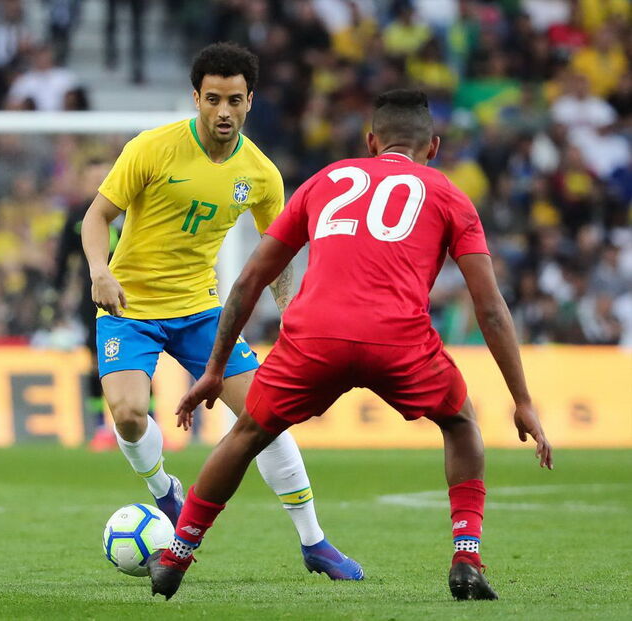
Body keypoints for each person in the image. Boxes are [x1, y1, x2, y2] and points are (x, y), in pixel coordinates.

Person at [148, 89, 554, 601]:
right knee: (460, 422)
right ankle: (466, 557)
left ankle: (177, 554)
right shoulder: (448, 193)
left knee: (247, 433)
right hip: (399, 338)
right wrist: (521, 399)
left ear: (371, 141)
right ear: (433, 147)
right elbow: (491, 307)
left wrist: (213, 369)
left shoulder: (325, 181)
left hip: (314, 335)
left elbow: (250, 279)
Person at [81, 42, 355, 578]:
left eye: (234, 100)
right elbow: (97, 217)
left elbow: (279, 248)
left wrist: (288, 302)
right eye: (213, 99)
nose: (223, 111)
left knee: (265, 419)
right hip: (130, 306)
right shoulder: (151, 149)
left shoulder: (262, 173)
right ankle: (165, 492)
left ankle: (314, 542)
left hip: (203, 312)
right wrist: (100, 270)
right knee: (130, 414)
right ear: (196, 98)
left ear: (250, 100)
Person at [53, 159, 119, 451]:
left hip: (130, 295)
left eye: (104, 176)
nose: (98, 182)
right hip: (90, 298)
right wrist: (53, 299)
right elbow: (61, 262)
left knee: (140, 362)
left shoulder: (127, 210)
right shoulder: (77, 215)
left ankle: (150, 422)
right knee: (95, 362)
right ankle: (100, 427)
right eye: (93, 177)